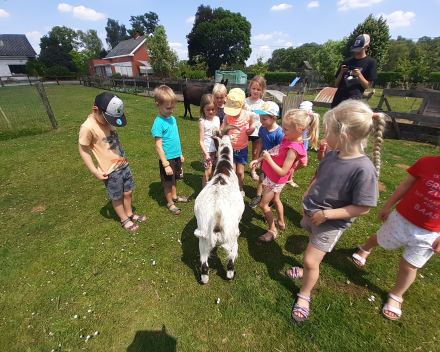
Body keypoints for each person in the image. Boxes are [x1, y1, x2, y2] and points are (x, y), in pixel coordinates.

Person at [287, 100, 386, 323]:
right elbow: (319, 177)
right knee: (312, 246)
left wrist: (327, 215)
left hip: (330, 222)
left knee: (311, 260)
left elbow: (363, 207)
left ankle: (304, 294)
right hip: (312, 213)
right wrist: (307, 196)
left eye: (326, 133)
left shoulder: (363, 169)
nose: (323, 138)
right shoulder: (333, 155)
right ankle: (306, 272)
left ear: (343, 135)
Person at [352, 156, 440, 321]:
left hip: (431, 233)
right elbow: (406, 185)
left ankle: (397, 295)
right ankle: (365, 248)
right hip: (402, 219)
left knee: (410, 265)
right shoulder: (426, 162)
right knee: (380, 238)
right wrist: (388, 205)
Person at [250, 108, 319, 242]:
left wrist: (268, 159)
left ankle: (273, 230)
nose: (282, 131)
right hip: (274, 177)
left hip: (276, 179)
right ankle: (281, 222)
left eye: (286, 129)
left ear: (299, 129)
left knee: (264, 205)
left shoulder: (294, 149)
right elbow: (275, 150)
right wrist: (260, 159)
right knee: (276, 200)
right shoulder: (288, 139)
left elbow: (283, 172)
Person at [78, 92, 145, 232]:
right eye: (109, 118)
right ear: (96, 109)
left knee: (128, 192)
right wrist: (94, 171)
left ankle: (129, 213)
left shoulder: (109, 120)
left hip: (123, 164)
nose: (111, 122)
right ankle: (124, 219)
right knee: (117, 196)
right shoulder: (88, 127)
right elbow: (83, 150)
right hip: (110, 171)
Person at [151, 85, 189, 215]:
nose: (171, 110)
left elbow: (175, 138)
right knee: (168, 182)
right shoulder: (158, 123)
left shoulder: (172, 119)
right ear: (157, 105)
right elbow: (158, 146)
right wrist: (165, 164)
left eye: (173, 107)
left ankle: (175, 196)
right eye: (168, 108)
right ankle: (169, 202)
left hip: (176, 156)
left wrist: (180, 154)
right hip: (167, 159)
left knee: (175, 179)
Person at [249, 102, 284, 209]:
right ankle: (258, 196)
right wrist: (256, 158)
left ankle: (273, 199)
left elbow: (280, 151)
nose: (261, 121)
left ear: (274, 118)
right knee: (261, 179)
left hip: (275, 163)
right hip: (264, 160)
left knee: (273, 183)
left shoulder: (280, 134)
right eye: (260, 118)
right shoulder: (262, 129)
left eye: (264, 119)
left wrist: (261, 159)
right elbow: (261, 143)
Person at [221, 88, 255, 198]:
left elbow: (253, 125)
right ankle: (232, 188)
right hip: (231, 149)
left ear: (243, 105)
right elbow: (224, 129)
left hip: (242, 149)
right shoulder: (227, 116)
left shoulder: (248, 115)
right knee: (232, 172)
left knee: (240, 172)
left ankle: (240, 188)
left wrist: (252, 129)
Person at [331, 34, 377, 108]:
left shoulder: (371, 62)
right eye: (355, 50)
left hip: (354, 101)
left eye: (359, 50)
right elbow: (336, 84)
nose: (356, 52)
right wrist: (341, 72)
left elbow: (366, 86)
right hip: (338, 99)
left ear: (366, 47)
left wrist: (359, 75)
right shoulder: (347, 61)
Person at [286, 101, 318, 188]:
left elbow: (311, 130)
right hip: (296, 144)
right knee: (294, 163)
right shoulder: (296, 121)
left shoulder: (309, 120)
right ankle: (289, 178)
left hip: (304, 145)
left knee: (303, 164)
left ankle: (288, 173)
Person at [245, 76, 266, 182]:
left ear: (262, 90)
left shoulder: (263, 105)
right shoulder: (244, 102)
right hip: (244, 131)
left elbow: (265, 118)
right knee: (241, 150)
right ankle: (238, 167)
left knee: (255, 152)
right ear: (250, 88)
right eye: (254, 88)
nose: (255, 91)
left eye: (258, 89)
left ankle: (253, 170)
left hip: (257, 132)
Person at [198, 94, 220, 188]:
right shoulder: (202, 122)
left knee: (215, 169)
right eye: (208, 109)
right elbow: (201, 140)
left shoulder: (217, 119)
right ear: (203, 109)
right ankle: (204, 191)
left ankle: (213, 186)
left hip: (216, 150)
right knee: (208, 171)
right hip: (208, 151)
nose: (211, 112)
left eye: (213, 109)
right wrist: (206, 153)